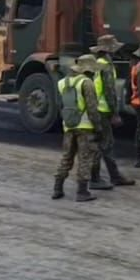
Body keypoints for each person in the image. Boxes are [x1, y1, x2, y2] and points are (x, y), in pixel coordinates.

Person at [53, 54, 105, 202]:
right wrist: (98, 127)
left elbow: (61, 105)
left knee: (67, 157)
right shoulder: (87, 83)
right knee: (85, 159)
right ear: (88, 69)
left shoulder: (63, 83)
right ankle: (82, 192)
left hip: (69, 126)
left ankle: (58, 188)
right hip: (85, 127)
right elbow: (92, 108)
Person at [87, 34, 135, 190]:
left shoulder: (96, 64)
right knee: (104, 144)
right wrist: (115, 113)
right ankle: (98, 178)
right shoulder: (105, 66)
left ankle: (111, 176)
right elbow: (109, 91)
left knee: (101, 144)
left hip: (96, 109)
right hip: (102, 111)